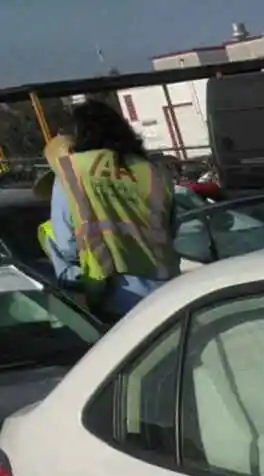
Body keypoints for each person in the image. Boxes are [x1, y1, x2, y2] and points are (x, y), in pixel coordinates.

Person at [38, 100, 177, 320]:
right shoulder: (153, 171)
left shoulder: (71, 171)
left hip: (115, 298)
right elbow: (170, 229)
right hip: (167, 293)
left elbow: (68, 247)